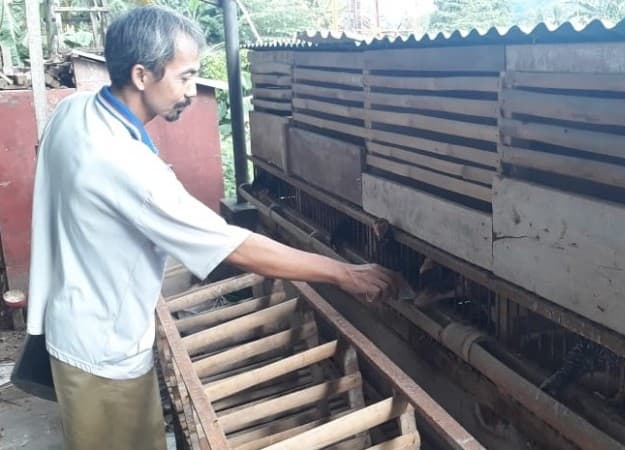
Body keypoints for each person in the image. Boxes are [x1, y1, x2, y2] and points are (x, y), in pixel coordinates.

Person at [25, 5, 399, 450]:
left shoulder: (74, 111)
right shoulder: (125, 166)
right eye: (184, 77)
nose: (190, 90)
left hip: (75, 322)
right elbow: (232, 245)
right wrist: (344, 273)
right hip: (105, 352)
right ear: (143, 75)